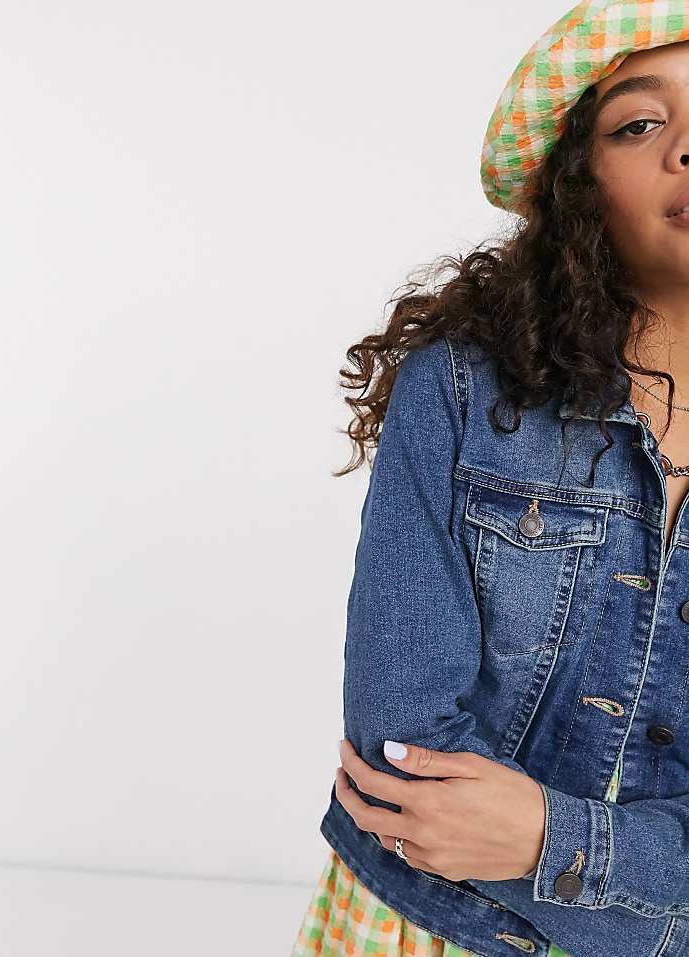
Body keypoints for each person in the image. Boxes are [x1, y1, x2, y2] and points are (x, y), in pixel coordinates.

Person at [292, 2, 689, 955]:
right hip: (436, 921)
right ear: (577, 181)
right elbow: (403, 753)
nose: (688, 147)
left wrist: (558, 841)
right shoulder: (462, 389)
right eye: (640, 123)